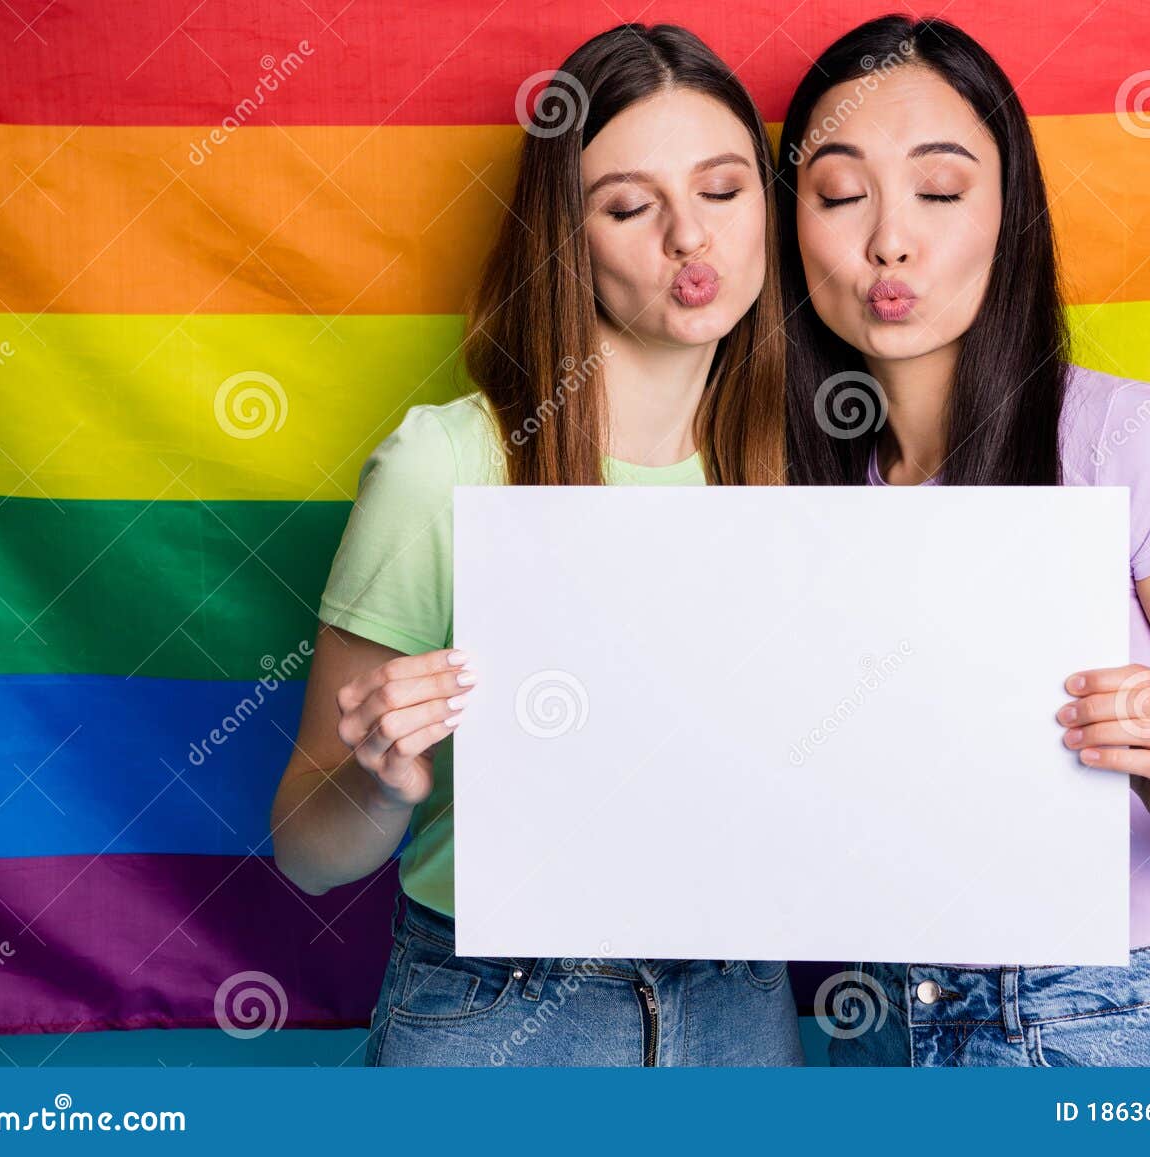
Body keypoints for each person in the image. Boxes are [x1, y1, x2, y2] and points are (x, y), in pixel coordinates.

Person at [777, 15, 1150, 1067]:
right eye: (840, 193)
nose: (888, 238)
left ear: (1009, 213)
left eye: (938, 192)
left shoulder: (1131, 440)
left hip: (1109, 1017)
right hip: (870, 1022)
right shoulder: (784, 479)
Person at [271, 23, 800, 1067]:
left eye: (723, 190)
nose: (689, 236)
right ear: (570, 236)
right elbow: (305, 850)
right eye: (628, 205)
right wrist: (381, 778)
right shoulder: (446, 466)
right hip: (497, 1006)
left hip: (745, 1004)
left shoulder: (809, 466)